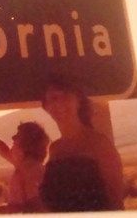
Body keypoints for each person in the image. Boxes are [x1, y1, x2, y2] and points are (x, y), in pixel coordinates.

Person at [39, 77, 124, 211]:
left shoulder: (99, 143)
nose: (59, 102)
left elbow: (116, 200)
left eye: (65, 96)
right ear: (46, 107)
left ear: (78, 101)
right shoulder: (55, 149)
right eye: (53, 98)